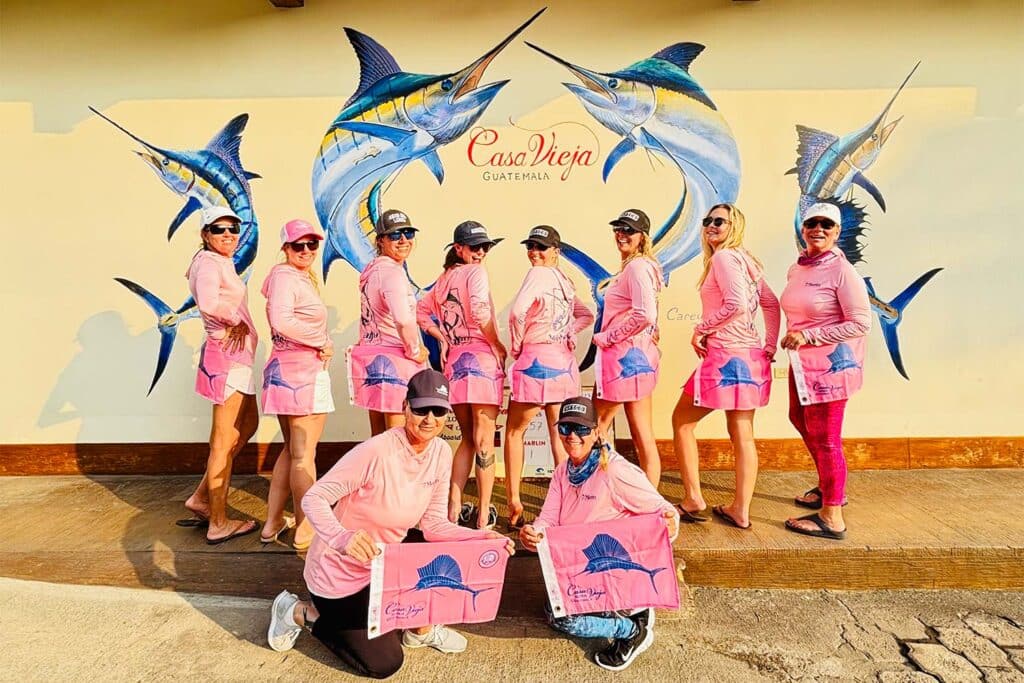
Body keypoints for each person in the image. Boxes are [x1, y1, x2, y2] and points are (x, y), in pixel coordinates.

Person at [267, 370, 514, 679]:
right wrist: (342, 537)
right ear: (405, 407)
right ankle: (298, 612)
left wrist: (479, 539)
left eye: (438, 410)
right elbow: (314, 498)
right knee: (384, 663)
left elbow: (434, 523)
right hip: (340, 576)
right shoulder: (375, 451)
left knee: (433, 547)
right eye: (421, 408)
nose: (429, 418)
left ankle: (419, 630)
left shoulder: (439, 452)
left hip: (384, 568)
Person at [519, 397, 679, 672]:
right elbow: (547, 519)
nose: (572, 435)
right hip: (582, 569)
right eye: (566, 427)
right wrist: (533, 534)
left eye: (581, 429)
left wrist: (670, 523)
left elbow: (663, 510)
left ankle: (631, 629)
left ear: (596, 432)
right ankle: (627, 612)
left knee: (563, 621)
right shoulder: (561, 472)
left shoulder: (615, 470)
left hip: (616, 574)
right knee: (553, 611)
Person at [671, 204, 779, 530]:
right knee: (742, 434)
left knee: (681, 422)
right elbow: (769, 304)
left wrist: (701, 328)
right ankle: (740, 510)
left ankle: (693, 499)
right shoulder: (747, 261)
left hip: (723, 356)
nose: (711, 226)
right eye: (707, 221)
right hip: (749, 357)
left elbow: (733, 305)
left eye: (719, 221)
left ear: (735, 225)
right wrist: (769, 346)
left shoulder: (723, 258)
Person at [780, 202, 870, 540]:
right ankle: (827, 484)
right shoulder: (798, 268)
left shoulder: (842, 271)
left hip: (832, 369)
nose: (818, 229)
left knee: (827, 438)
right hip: (803, 365)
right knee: (799, 420)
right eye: (811, 223)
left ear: (836, 231)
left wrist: (809, 335)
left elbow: (861, 323)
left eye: (826, 224)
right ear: (803, 229)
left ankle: (832, 515)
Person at [417, 221, 507, 530]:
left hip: (455, 365)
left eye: (485, 247)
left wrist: (441, 336)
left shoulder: (443, 281)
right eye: (474, 247)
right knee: (484, 441)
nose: (481, 252)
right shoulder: (476, 273)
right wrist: (498, 345)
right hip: (482, 361)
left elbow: (419, 310)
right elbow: (481, 311)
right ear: (459, 249)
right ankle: (483, 514)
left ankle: (453, 508)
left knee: (467, 439)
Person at [505, 226, 594, 529]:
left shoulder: (539, 274)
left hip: (535, 362)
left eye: (541, 247)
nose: (534, 252)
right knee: (562, 436)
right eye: (530, 246)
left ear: (556, 250)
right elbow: (586, 315)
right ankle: (567, 504)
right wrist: (567, 332)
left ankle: (514, 502)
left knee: (515, 432)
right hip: (563, 366)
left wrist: (517, 346)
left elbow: (517, 313)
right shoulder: (565, 281)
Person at [180, 206, 260, 544]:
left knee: (248, 425)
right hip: (228, 359)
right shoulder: (209, 263)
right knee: (223, 441)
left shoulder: (216, 261)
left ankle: (201, 497)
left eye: (233, 228)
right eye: (218, 229)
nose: (228, 234)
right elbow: (210, 303)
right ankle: (218, 520)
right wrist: (234, 320)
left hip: (236, 358)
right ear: (204, 234)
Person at [259, 219, 335, 551]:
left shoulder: (291, 277)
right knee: (305, 456)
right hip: (301, 376)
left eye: (312, 244)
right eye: (297, 245)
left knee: (292, 452)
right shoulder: (285, 277)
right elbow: (281, 320)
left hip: (287, 374)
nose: (305, 251)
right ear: (285, 249)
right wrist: (322, 339)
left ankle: (273, 521)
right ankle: (306, 530)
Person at [592, 209, 664, 486]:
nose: (621, 234)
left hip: (622, 359)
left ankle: (596, 491)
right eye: (618, 228)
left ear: (643, 236)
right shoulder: (644, 267)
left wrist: (608, 337)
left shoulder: (636, 267)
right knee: (642, 431)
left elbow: (644, 314)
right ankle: (651, 500)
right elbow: (649, 316)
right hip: (639, 358)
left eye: (629, 230)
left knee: (596, 427)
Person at [348, 209, 429, 436]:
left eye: (408, 233)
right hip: (395, 361)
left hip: (372, 360)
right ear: (380, 240)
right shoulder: (391, 272)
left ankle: (377, 474)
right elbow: (402, 319)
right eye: (395, 235)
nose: (403, 240)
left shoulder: (372, 271)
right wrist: (415, 350)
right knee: (398, 438)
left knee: (378, 439)